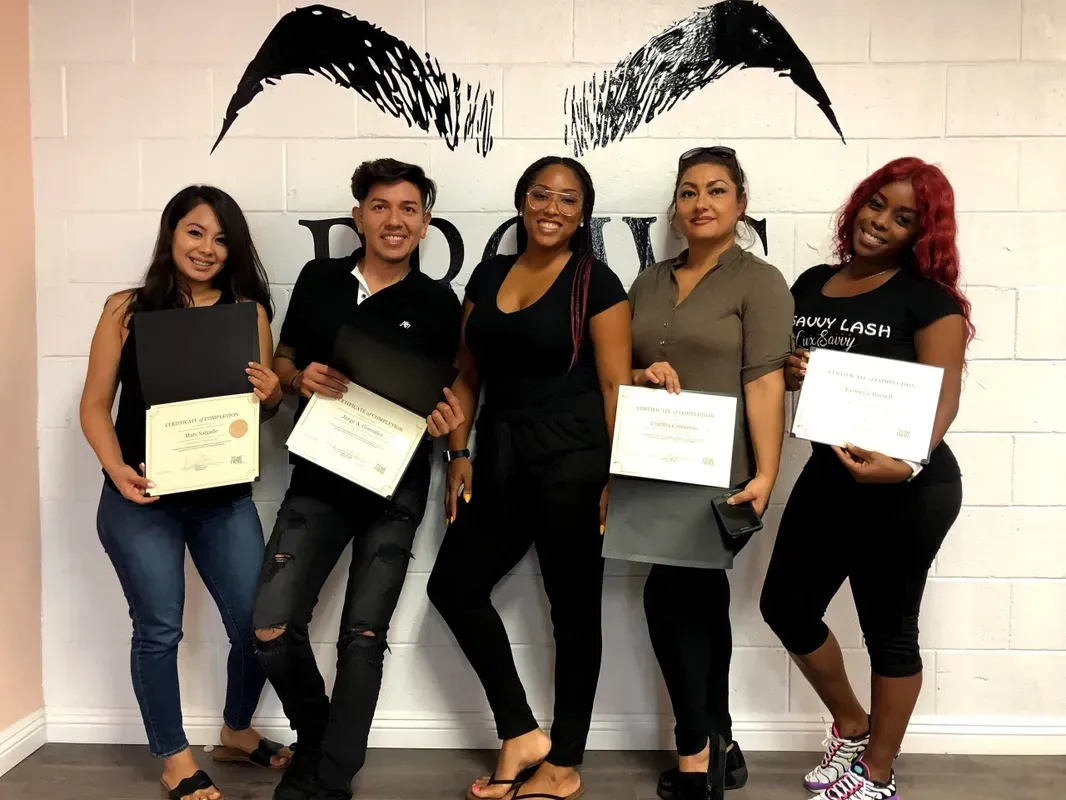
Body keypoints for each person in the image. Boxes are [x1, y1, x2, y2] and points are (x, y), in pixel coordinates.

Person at [253, 158, 466, 800]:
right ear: (358, 216)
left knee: (363, 636)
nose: (393, 220)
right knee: (269, 626)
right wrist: (296, 378)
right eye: (380, 206)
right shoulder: (320, 280)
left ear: (425, 223)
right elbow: (285, 360)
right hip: (318, 475)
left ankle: (332, 780)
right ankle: (319, 743)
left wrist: (449, 426)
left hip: (394, 485)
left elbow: (449, 391)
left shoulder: (437, 303)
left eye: (407, 209)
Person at [759, 157, 971, 800]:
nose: (881, 222)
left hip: (907, 485)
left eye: (903, 218)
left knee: (889, 629)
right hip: (831, 474)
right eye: (877, 205)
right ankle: (851, 724)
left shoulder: (929, 301)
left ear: (921, 234)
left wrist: (905, 463)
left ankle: (877, 769)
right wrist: (797, 372)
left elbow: (945, 398)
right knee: (786, 606)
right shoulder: (812, 283)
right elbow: (801, 368)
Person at [426, 156, 632, 800]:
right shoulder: (488, 275)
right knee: (453, 587)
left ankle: (565, 759)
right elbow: (466, 372)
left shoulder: (597, 283)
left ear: (582, 214)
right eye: (540, 195)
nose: (552, 208)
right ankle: (520, 732)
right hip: (500, 455)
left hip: (574, 459)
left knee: (572, 611)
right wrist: (458, 452)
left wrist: (617, 476)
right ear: (521, 202)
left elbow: (613, 384)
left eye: (568, 200)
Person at [80, 185, 291, 800]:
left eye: (222, 239)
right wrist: (116, 468)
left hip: (221, 496)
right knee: (158, 630)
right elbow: (94, 406)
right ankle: (174, 758)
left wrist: (271, 394)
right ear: (171, 233)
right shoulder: (126, 309)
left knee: (259, 623)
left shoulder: (247, 312)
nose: (207, 248)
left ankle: (236, 732)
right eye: (196, 232)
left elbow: (264, 411)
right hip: (139, 494)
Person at [627, 147, 792, 800]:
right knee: (696, 603)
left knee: (671, 601)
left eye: (717, 190)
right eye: (689, 191)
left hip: (721, 472)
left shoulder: (760, 281)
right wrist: (642, 375)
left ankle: (696, 755)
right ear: (676, 205)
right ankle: (721, 740)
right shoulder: (649, 282)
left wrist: (767, 475)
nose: (701, 203)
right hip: (653, 466)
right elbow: (625, 369)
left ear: (740, 204)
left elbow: (765, 381)